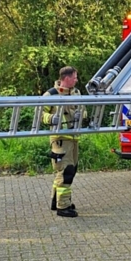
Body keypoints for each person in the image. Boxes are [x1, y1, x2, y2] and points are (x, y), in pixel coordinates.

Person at [42, 66, 89, 217]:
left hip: (74, 138)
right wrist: (51, 118)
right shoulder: (51, 94)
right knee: (65, 171)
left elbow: (84, 110)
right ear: (66, 78)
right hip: (60, 139)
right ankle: (63, 207)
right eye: (75, 77)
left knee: (71, 169)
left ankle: (58, 201)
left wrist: (82, 116)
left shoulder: (76, 93)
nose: (77, 80)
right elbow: (39, 114)